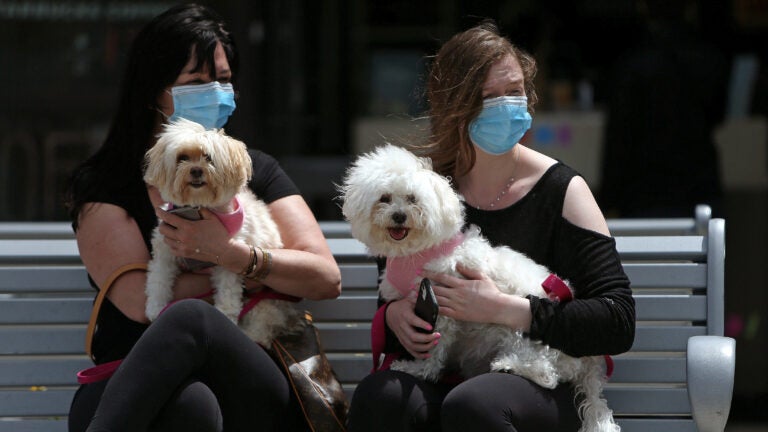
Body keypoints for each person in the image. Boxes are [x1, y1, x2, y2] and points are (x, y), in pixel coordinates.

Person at [346, 22, 635, 432]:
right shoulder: (417, 191)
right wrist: (395, 316)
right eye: (488, 97)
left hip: (541, 379)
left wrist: (503, 309)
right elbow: (398, 293)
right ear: (453, 107)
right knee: (382, 396)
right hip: (450, 374)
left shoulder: (563, 189)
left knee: (474, 404)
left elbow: (617, 320)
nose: (507, 105)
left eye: (515, 91)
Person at [64, 4, 341, 431]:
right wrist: (232, 268)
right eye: (196, 82)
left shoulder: (255, 169)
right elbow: (140, 303)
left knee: (190, 317)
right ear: (154, 91)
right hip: (129, 383)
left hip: (248, 371)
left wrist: (235, 257)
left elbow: (324, 278)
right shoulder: (107, 184)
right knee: (191, 405)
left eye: (224, 80)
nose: (215, 91)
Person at [599, 0, 729, 218]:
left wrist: (608, 199)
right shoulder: (707, 57)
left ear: (644, 7)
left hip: (644, 190)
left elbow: (619, 137)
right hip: (699, 184)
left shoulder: (632, 63)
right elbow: (719, 114)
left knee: (647, 251)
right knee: (707, 251)